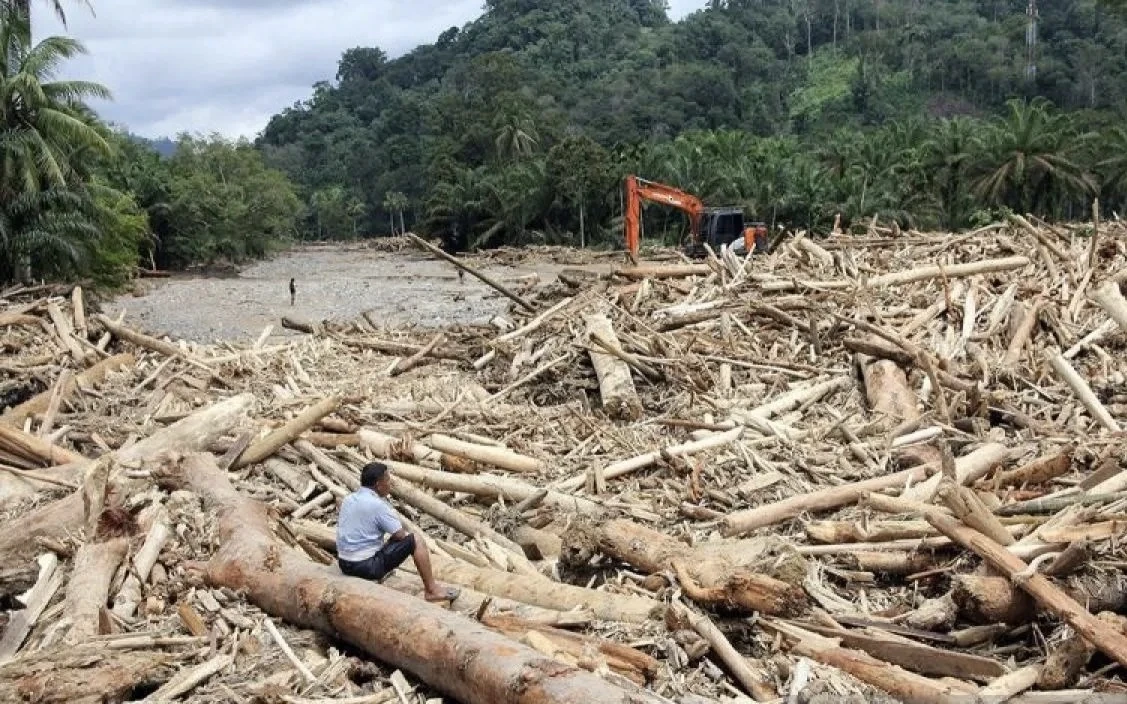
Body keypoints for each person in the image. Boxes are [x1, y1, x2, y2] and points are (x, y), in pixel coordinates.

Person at [336, 462, 459, 602]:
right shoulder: (378, 506)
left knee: (391, 539)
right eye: (388, 480)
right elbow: (400, 534)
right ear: (378, 484)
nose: (390, 484)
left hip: (345, 563)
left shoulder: (348, 499)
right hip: (365, 567)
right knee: (416, 540)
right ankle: (431, 590)